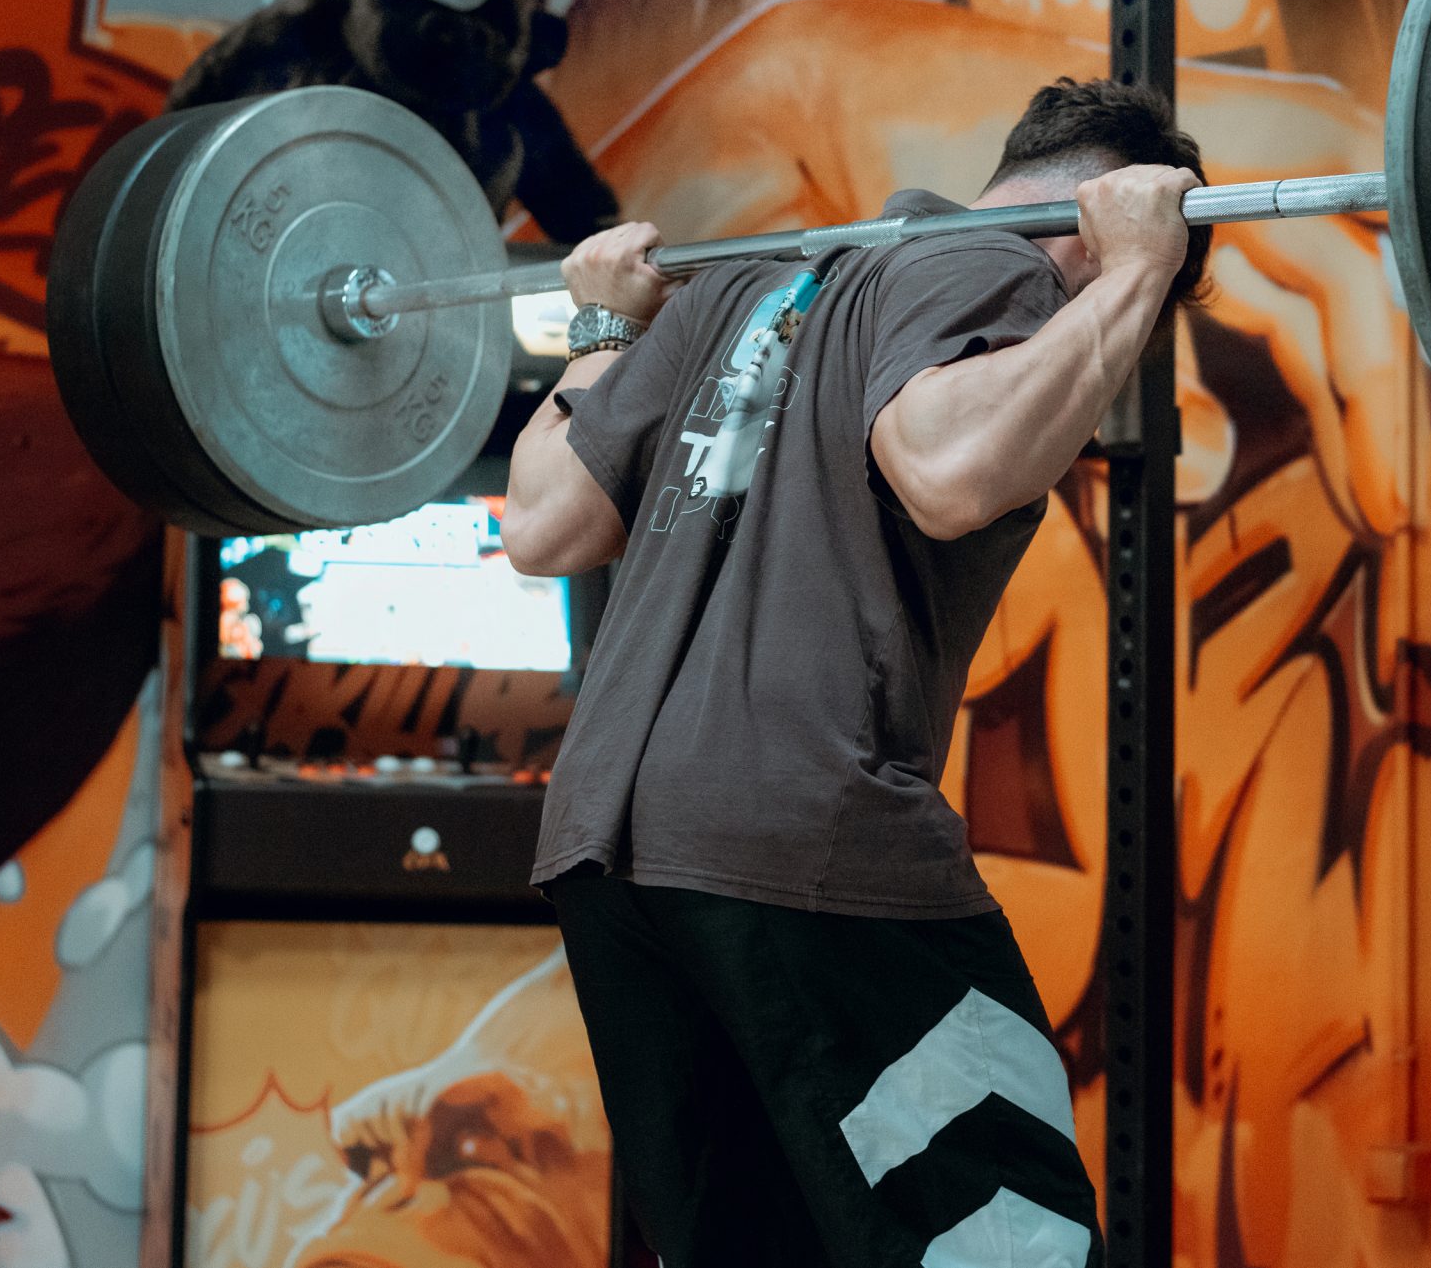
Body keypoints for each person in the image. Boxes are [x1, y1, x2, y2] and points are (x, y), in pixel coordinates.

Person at [500, 77, 1210, 1265]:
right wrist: (1138, 274)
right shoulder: (995, 267)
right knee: (1012, 1243)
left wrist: (605, 329)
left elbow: (541, 520)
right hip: (802, 841)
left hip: (607, 858)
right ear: (1087, 222)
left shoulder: (737, 286)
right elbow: (949, 467)